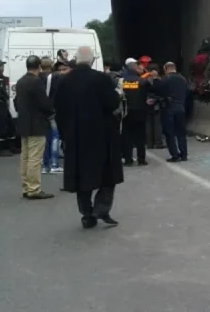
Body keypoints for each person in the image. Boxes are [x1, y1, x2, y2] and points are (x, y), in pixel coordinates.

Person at [54, 46, 123, 229]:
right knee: (108, 174)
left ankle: (86, 213)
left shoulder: (64, 81)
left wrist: (64, 134)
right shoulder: (101, 79)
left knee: (82, 177)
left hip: (75, 136)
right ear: (92, 60)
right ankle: (101, 208)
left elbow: (58, 110)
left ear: (76, 60)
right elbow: (112, 103)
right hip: (102, 135)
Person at [14, 56, 55, 200]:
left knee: (25, 157)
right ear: (39, 66)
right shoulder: (36, 82)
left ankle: (26, 187)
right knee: (35, 158)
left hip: (23, 123)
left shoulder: (20, 82)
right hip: (36, 124)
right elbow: (44, 103)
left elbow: (16, 103)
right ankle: (34, 189)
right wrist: (51, 111)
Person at [152, 62, 188, 162]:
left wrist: (155, 79)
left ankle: (174, 155)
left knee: (169, 133)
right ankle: (184, 154)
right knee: (181, 133)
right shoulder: (183, 79)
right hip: (181, 107)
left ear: (166, 69)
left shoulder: (165, 78)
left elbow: (157, 90)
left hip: (168, 108)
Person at [120, 58, 150, 166]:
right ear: (135, 68)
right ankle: (141, 159)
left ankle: (128, 160)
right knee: (140, 137)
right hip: (140, 111)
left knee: (126, 136)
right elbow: (149, 93)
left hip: (126, 112)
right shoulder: (142, 81)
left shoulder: (121, 81)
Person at [0, 59, 18, 157]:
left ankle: (11, 146)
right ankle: (1, 149)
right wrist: (4, 98)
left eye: (2, 65)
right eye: (0, 66)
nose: (2, 67)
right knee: (1, 126)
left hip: (3, 103)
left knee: (10, 125)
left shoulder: (1, 77)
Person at [40, 58, 62, 175]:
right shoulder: (54, 77)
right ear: (51, 65)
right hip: (52, 110)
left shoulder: (37, 78)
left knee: (45, 138)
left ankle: (45, 165)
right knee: (55, 137)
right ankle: (54, 164)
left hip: (41, 112)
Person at [145, 63, 165, 150]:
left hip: (147, 104)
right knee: (157, 125)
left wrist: (146, 100)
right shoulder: (160, 80)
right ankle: (158, 143)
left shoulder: (144, 80)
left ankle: (150, 143)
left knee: (148, 124)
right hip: (157, 104)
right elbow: (161, 92)